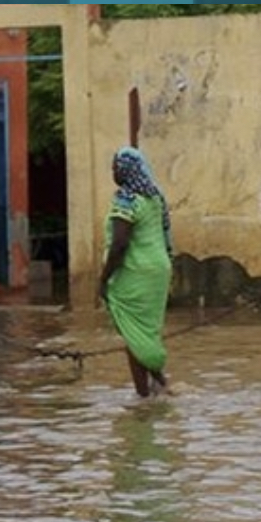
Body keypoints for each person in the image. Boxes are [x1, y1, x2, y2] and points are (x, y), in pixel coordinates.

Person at [98, 147, 175, 398]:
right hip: (158, 271)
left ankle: (143, 399)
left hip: (136, 273)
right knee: (146, 331)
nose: (113, 171)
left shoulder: (126, 199)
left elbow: (120, 244)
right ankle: (160, 383)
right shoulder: (154, 197)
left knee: (133, 335)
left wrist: (103, 279)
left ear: (126, 170)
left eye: (115, 167)